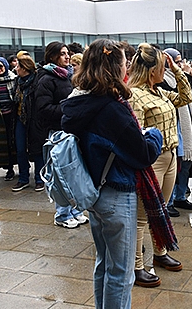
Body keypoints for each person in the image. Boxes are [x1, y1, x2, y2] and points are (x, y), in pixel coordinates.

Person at [61, 38, 172, 309]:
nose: (127, 65)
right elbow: (142, 154)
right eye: (124, 61)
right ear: (114, 67)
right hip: (117, 194)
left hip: (95, 192)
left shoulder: (81, 100)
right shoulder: (111, 108)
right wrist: (154, 135)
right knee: (121, 272)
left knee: (105, 264)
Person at [127, 43, 192, 287]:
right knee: (142, 217)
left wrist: (177, 70)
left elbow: (185, 97)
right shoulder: (135, 95)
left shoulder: (159, 92)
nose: (165, 71)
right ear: (151, 69)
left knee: (162, 210)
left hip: (170, 157)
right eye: (162, 67)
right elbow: (138, 135)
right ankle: (136, 267)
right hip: (151, 162)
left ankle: (160, 252)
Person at [34, 41, 89, 228]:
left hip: (71, 130)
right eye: (63, 54)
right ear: (52, 56)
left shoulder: (68, 76)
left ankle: (76, 210)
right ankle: (62, 214)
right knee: (60, 174)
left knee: (74, 172)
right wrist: (69, 107)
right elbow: (43, 109)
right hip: (57, 133)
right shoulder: (46, 79)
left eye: (68, 53)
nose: (67, 56)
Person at [161, 48, 192, 217]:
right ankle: (168, 201)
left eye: (180, 61)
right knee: (174, 165)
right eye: (175, 62)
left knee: (186, 164)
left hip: (187, 127)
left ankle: (180, 195)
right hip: (173, 126)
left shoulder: (182, 78)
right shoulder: (161, 80)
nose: (180, 64)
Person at [12, 52, 44, 191]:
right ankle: (23, 178)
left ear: (25, 68)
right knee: (20, 149)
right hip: (20, 119)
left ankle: (39, 178)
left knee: (37, 149)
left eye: (18, 66)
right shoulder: (17, 82)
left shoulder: (37, 82)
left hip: (34, 120)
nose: (16, 68)